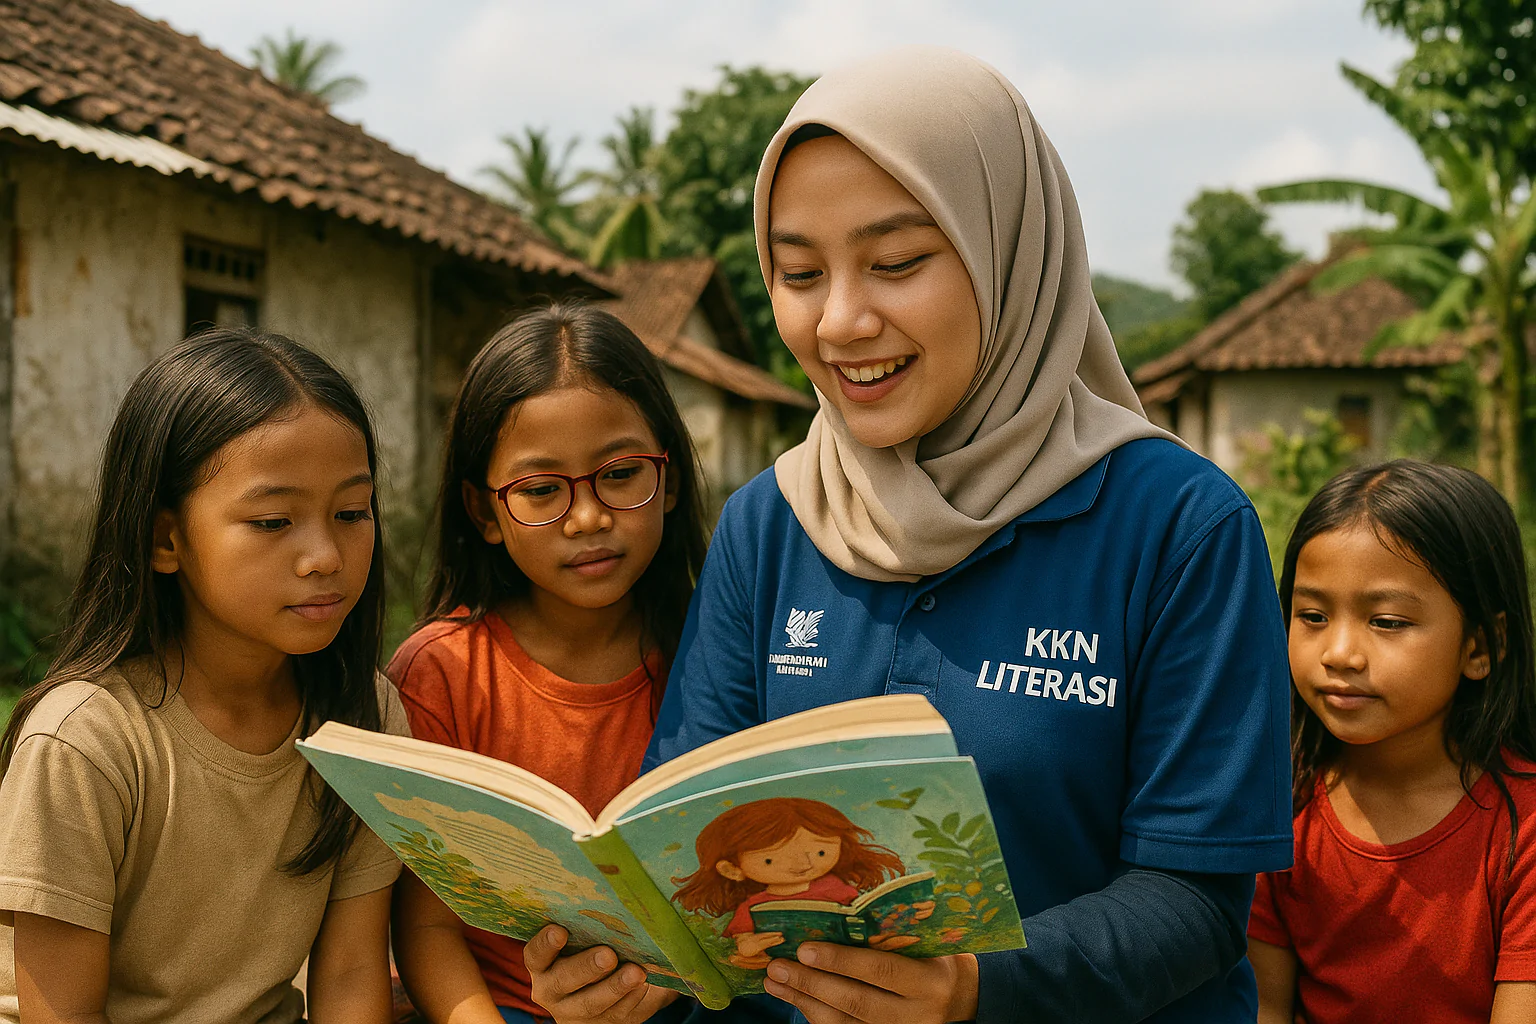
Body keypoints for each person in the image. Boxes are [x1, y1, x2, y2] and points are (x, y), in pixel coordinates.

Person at [522, 46, 1293, 1024]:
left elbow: (1196, 901)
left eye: (896, 262)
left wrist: (975, 987)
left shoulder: (1179, 526)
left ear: (1005, 252)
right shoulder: (772, 521)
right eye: (799, 273)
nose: (841, 320)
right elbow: (692, 843)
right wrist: (626, 972)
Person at [0, 328, 406, 1023]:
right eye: (274, 520)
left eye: (351, 513)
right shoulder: (86, 743)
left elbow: (350, 974)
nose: (325, 556)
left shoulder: (363, 715)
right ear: (166, 540)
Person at [387, 304, 709, 1024]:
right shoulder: (440, 676)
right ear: (484, 512)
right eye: (540, 490)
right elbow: (427, 926)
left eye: (622, 474)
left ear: (674, 478)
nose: (588, 517)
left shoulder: (714, 651)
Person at [1248, 460, 1536, 1023]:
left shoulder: (1522, 829)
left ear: (1481, 646)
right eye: (1312, 615)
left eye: (1387, 621)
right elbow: (1263, 1006)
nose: (1340, 654)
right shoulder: (1279, 802)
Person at [671, 797, 926, 969]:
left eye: (820, 852)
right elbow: (744, 938)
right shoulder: (754, 907)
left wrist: (899, 910)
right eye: (770, 860)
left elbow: (860, 911)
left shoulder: (835, 886)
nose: (802, 865)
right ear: (732, 869)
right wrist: (749, 947)